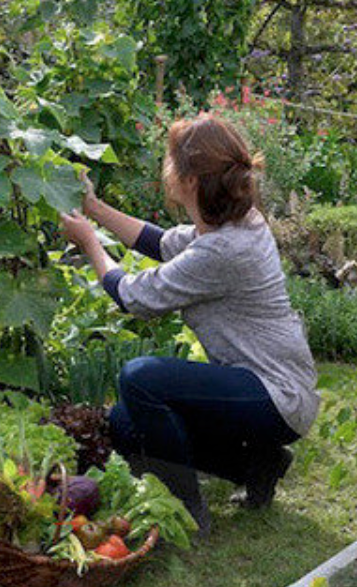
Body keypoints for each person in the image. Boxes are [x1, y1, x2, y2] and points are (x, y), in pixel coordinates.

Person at [59, 113, 319, 537]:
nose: (166, 168)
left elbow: (133, 297)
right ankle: (256, 465)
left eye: (171, 161)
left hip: (276, 395)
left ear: (191, 180)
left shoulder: (226, 248)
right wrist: (94, 207)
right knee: (126, 424)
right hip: (260, 388)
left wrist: (89, 242)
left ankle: (188, 509)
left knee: (139, 378)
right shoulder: (232, 224)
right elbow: (159, 243)